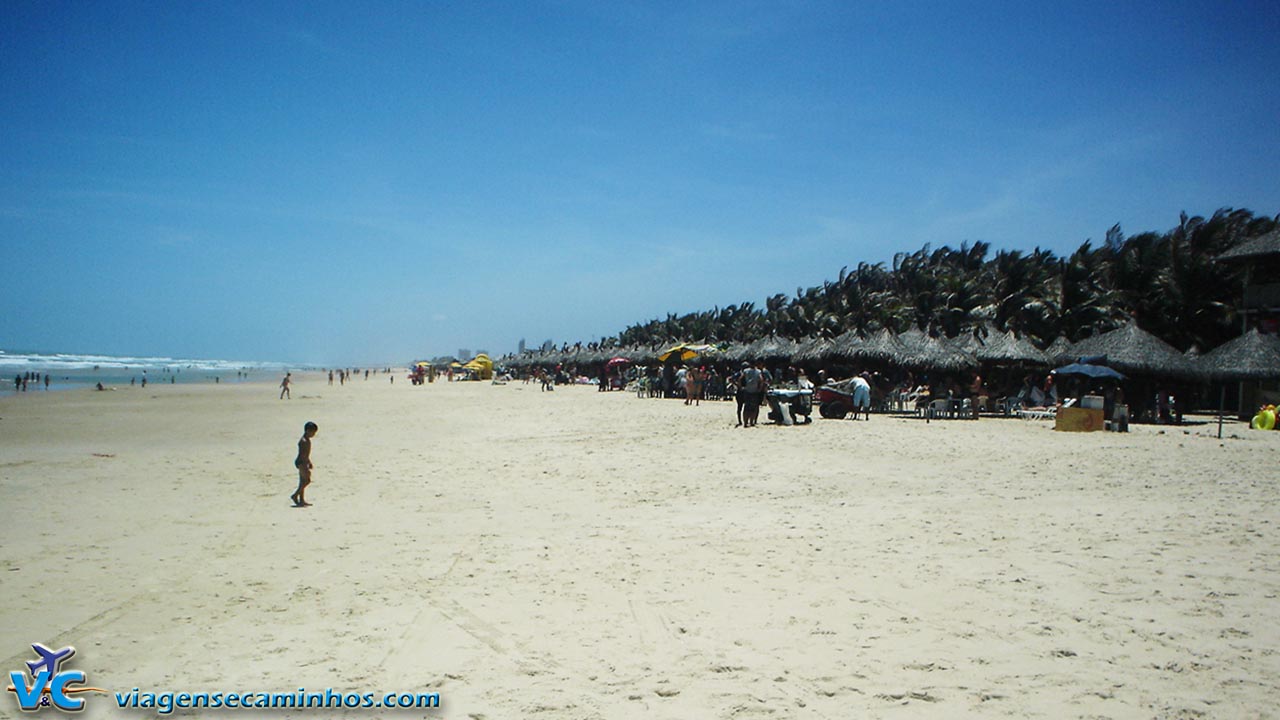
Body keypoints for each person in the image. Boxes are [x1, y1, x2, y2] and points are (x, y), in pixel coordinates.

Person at [291, 421, 318, 507]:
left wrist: (309, 461)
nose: (313, 434)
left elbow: (306, 454)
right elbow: (303, 454)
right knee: (307, 480)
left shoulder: (307, 440)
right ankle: (295, 495)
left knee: (302, 481)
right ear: (307, 431)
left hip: (303, 461)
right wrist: (306, 463)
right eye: (312, 432)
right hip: (301, 462)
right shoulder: (303, 441)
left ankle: (301, 499)